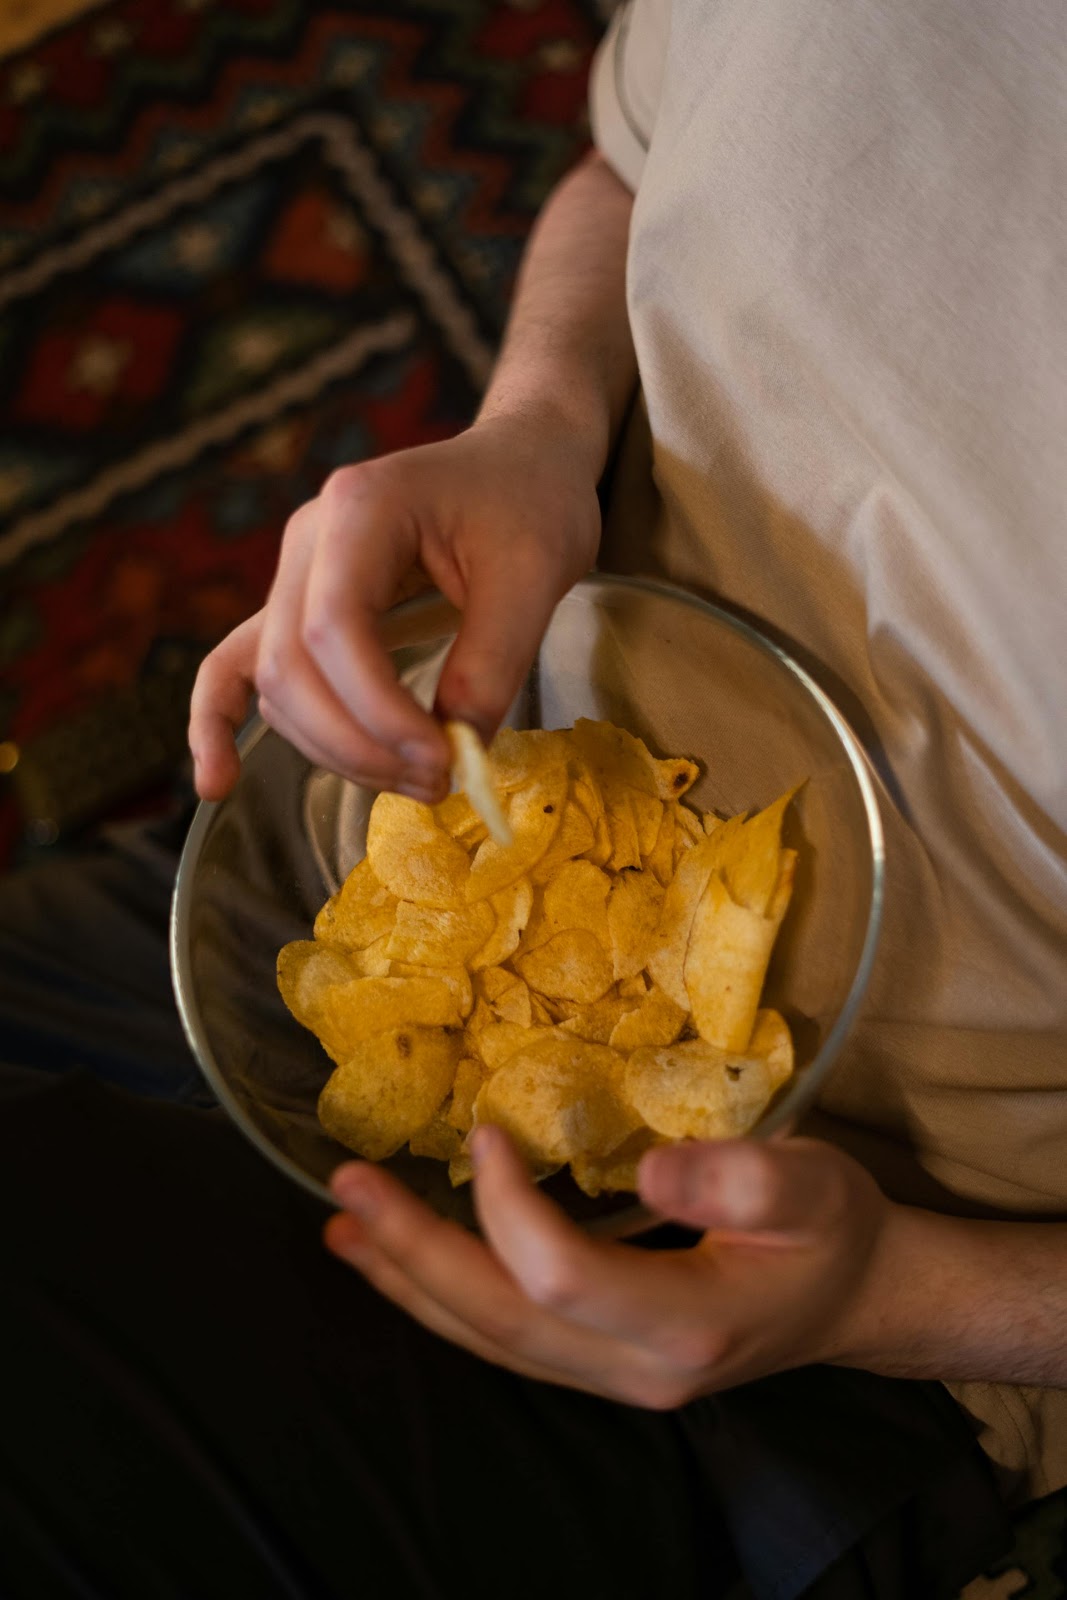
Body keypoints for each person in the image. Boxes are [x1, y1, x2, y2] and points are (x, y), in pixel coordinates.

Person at [3, 1, 1064, 1595]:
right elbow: (634, 162)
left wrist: (893, 1298)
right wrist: (540, 422)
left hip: (810, 1325)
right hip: (415, 845)